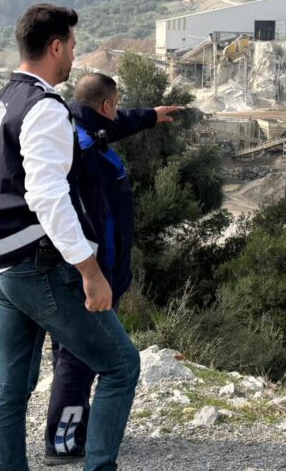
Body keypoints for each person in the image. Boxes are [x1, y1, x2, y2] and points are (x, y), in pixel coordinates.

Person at [0, 4, 140, 471]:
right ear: (54, 46)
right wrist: (90, 271)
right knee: (121, 365)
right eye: (71, 45)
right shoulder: (44, 108)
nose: (73, 54)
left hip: (0, 264)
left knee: (12, 386)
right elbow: (49, 197)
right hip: (37, 266)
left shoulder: (3, 99)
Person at [43, 73, 181, 464]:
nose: (118, 111)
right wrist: (99, 279)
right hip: (95, 277)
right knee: (80, 356)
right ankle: (63, 441)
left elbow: (114, 126)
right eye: (116, 104)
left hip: (97, 274)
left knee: (77, 353)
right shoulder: (85, 152)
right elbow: (91, 225)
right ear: (104, 106)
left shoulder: (79, 126)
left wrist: (150, 116)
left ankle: (76, 426)